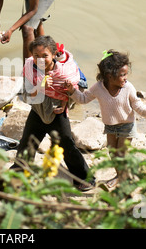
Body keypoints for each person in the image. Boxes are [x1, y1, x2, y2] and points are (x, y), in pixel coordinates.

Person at [11, 36, 95, 192]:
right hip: (38, 109)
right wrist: (40, 86)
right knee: (27, 142)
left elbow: (72, 91)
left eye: (45, 56)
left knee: (67, 145)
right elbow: (27, 95)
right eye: (36, 56)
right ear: (31, 56)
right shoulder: (30, 67)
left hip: (57, 113)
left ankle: (85, 178)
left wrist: (64, 104)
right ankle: (19, 170)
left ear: (54, 54)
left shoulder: (63, 72)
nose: (40, 59)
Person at [64, 49, 146, 188]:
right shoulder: (98, 88)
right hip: (110, 126)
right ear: (108, 76)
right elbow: (83, 98)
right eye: (122, 75)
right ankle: (121, 175)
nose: (125, 78)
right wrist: (72, 91)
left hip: (127, 125)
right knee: (113, 154)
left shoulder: (128, 87)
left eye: (126, 74)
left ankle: (122, 177)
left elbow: (136, 103)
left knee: (121, 154)